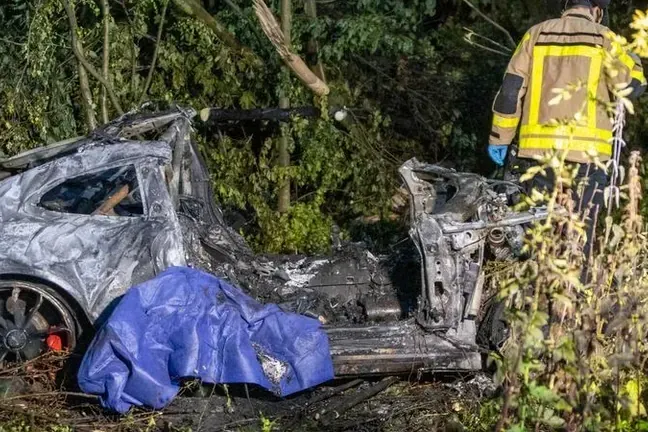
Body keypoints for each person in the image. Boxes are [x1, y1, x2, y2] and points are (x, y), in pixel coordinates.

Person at [487, 0, 646, 261]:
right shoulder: (607, 39)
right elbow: (630, 87)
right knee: (579, 241)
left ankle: (533, 294)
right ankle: (574, 297)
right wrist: (635, 58)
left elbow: (510, 91)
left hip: (538, 159)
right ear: (597, 10)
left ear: (566, 5)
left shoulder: (536, 34)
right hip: (589, 160)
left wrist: (500, 138)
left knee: (538, 238)